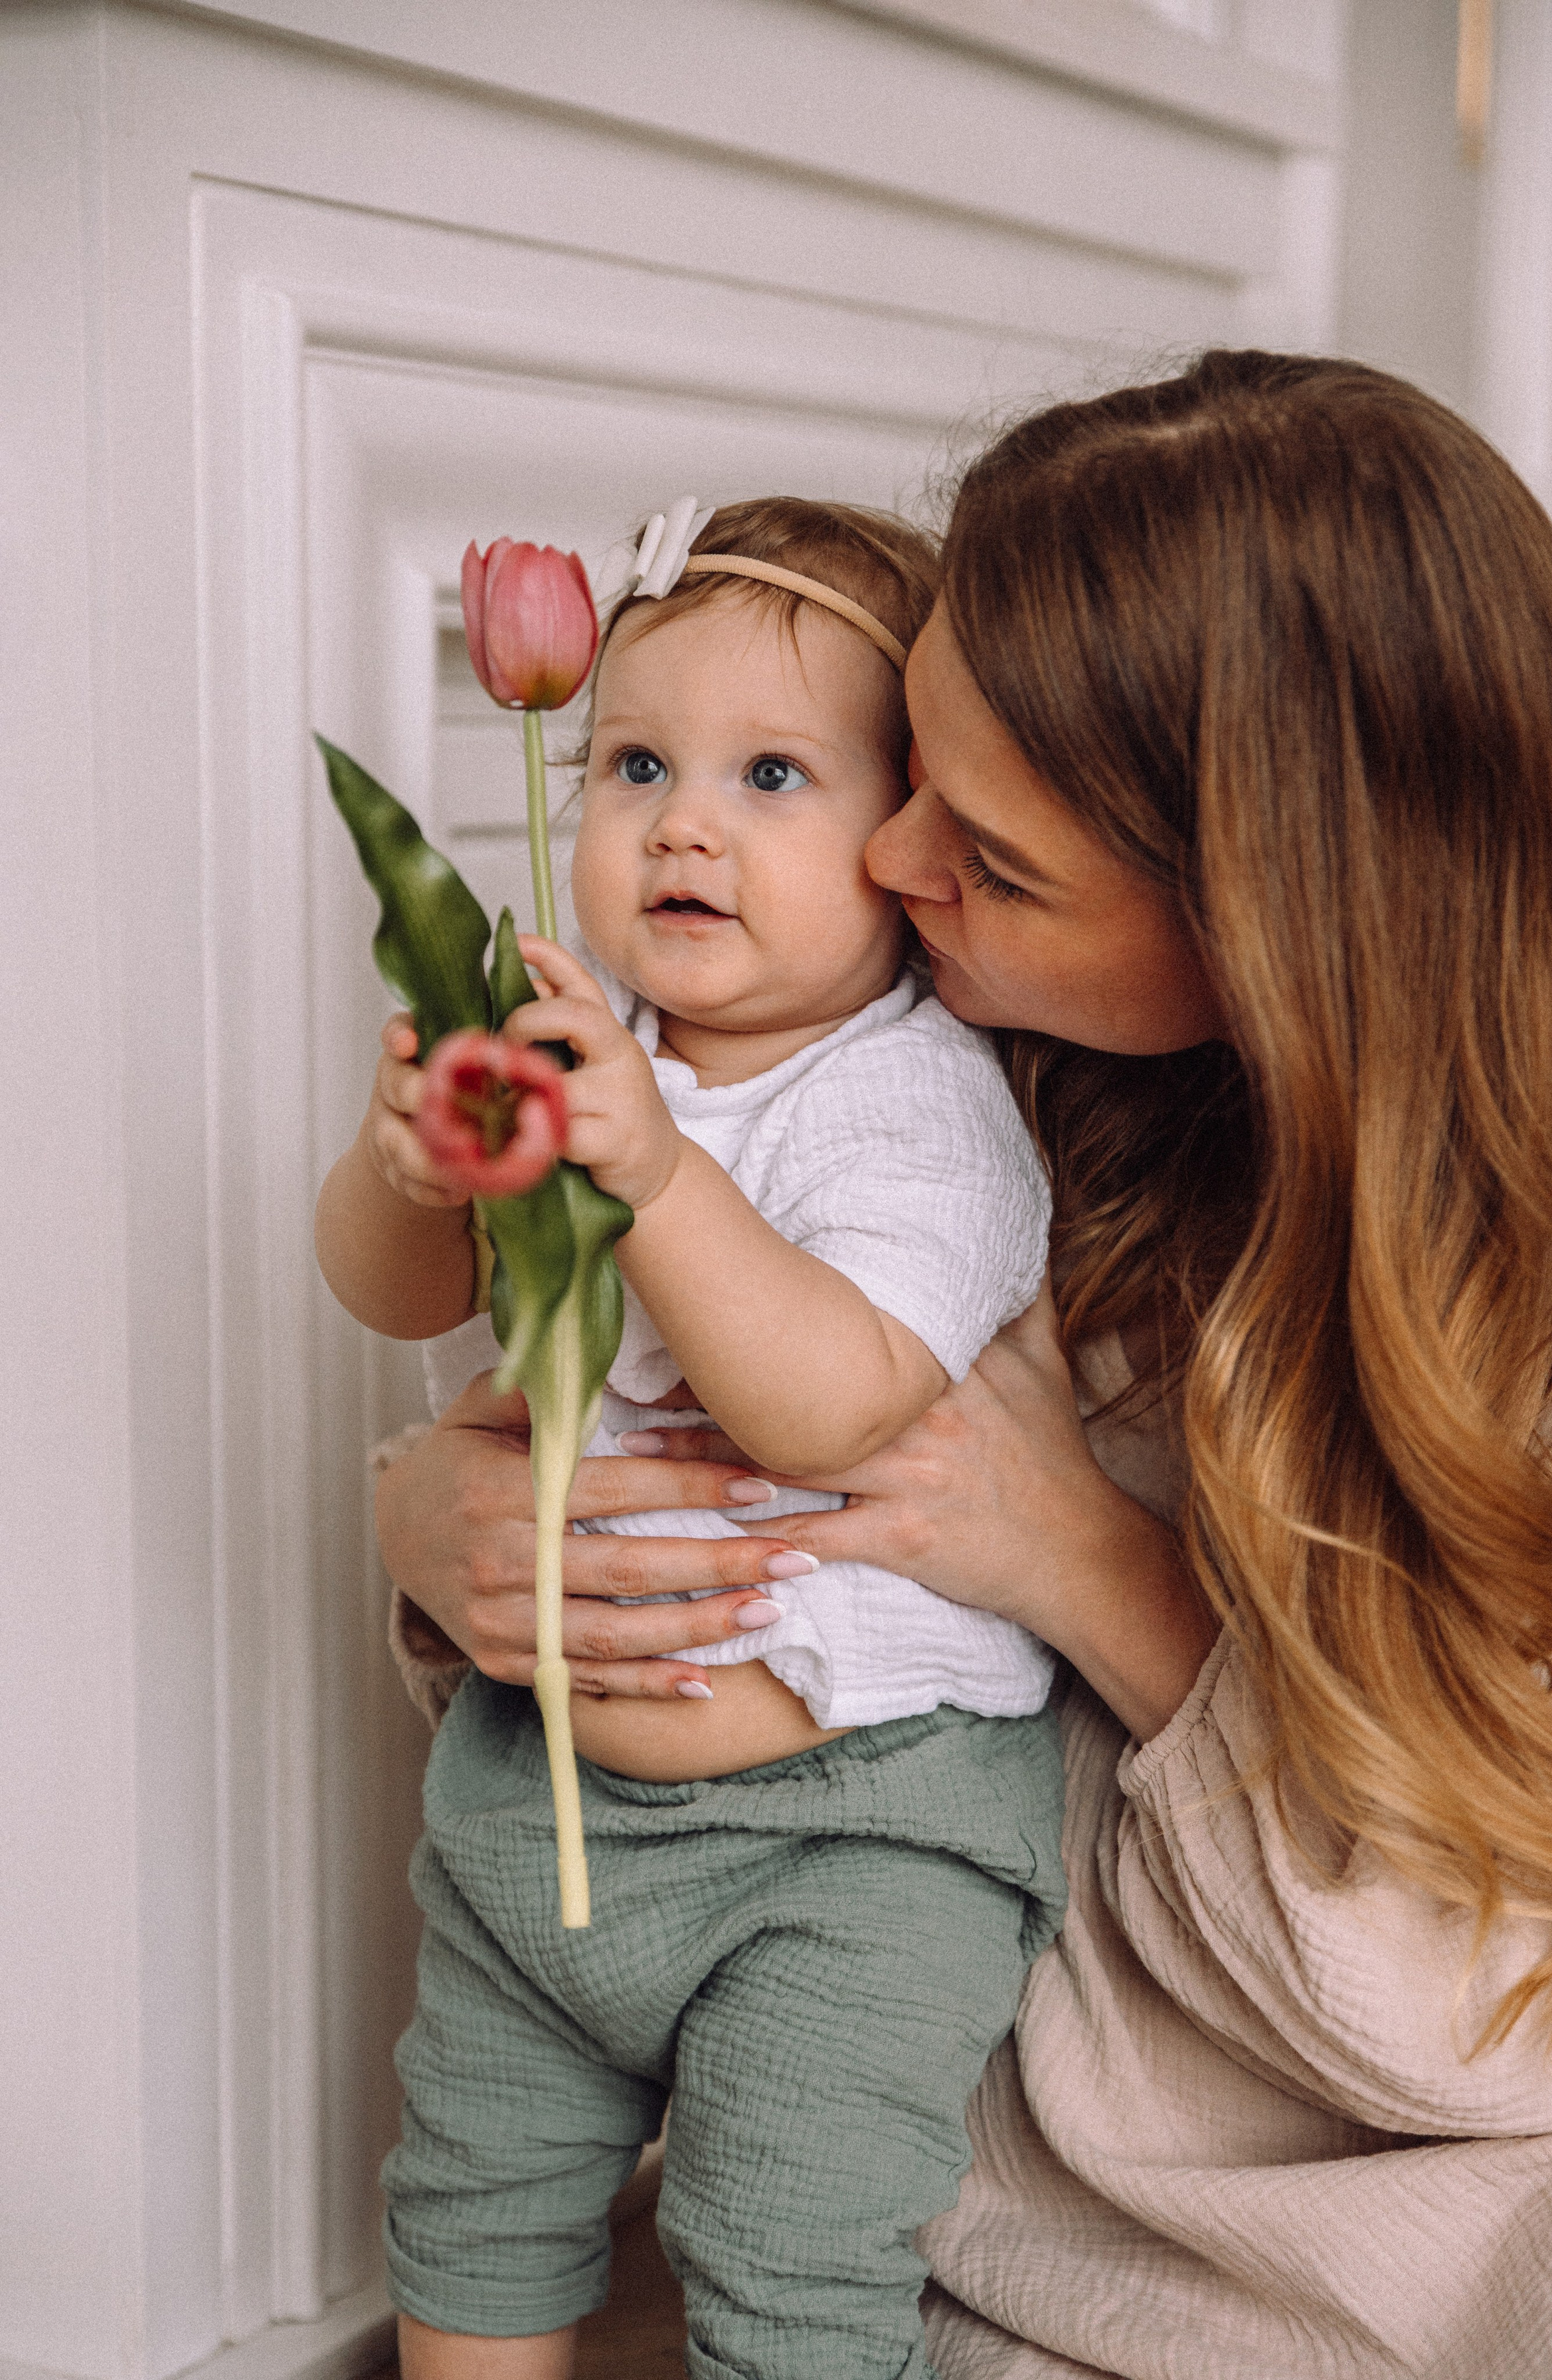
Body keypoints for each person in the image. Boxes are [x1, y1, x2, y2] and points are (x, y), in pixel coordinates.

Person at [375, 352, 1552, 2379]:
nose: (893, 867)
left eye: (990, 858)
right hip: (1009, 2033)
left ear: (1267, 918)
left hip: (1469, 2106)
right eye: (908, 770)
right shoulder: (971, 1040)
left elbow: (1545, 2016)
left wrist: (1090, 1566)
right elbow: (703, 1416)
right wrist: (441, 1508)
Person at [317, 497, 1071, 2380]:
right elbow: (402, 1298)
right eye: (634, 761)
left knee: (786, 2246)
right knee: (472, 2202)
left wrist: (645, 1159)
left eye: (774, 775)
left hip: (850, 1834)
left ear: (913, 845)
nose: (685, 822)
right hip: (536, 1799)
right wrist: (409, 1167)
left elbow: (829, 1395)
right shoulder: (590, 1039)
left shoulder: (914, 1102)